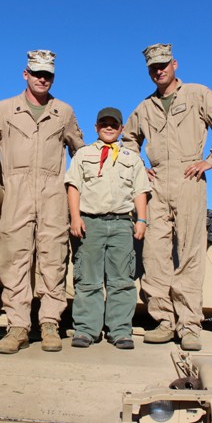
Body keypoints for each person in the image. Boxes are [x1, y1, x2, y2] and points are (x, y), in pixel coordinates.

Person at [123, 43, 212, 351]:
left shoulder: (198, 95)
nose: (158, 70)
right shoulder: (144, 107)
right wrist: (139, 167)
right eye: (153, 67)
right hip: (158, 181)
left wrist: (210, 161)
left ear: (174, 64)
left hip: (190, 177)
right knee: (153, 253)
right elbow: (129, 139)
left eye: (163, 64)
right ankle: (163, 320)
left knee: (190, 253)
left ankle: (189, 324)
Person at [0, 49, 84, 354]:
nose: (42, 79)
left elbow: (79, 151)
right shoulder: (4, 109)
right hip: (16, 190)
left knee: (53, 257)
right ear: (25, 74)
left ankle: (50, 323)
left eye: (48, 75)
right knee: (14, 258)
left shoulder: (63, 111)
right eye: (37, 73)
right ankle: (17, 326)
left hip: (53, 191)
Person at [65, 107, 150, 350]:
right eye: (104, 123)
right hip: (90, 222)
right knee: (87, 278)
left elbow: (140, 190)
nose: (109, 127)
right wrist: (75, 217)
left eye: (114, 124)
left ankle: (120, 331)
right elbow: (73, 186)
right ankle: (86, 329)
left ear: (122, 129)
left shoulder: (131, 158)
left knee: (122, 280)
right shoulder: (83, 155)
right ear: (96, 127)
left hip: (123, 223)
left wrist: (141, 220)